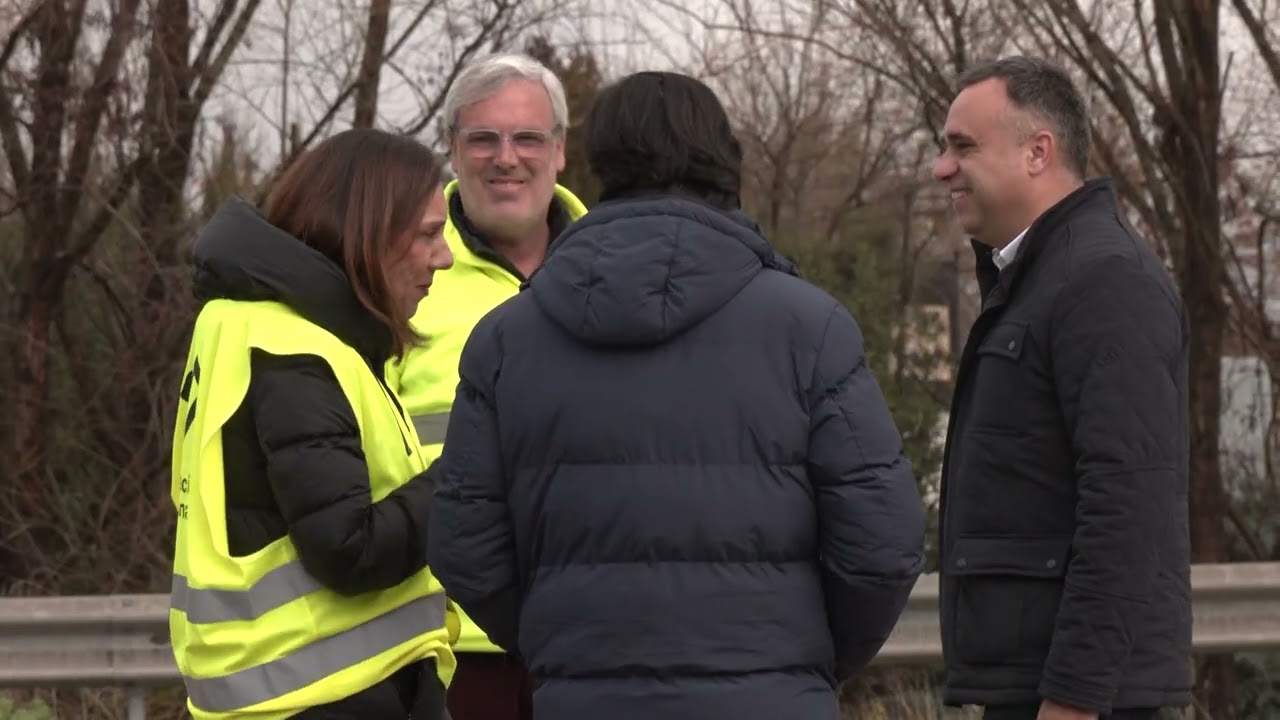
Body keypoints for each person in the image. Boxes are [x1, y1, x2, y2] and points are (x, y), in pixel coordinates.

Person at [425, 70, 927, 720]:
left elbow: (464, 545)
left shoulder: (506, 339)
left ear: (595, 160)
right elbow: (883, 544)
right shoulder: (809, 326)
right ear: (722, 159)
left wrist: (561, 644)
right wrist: (804, 660)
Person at [932, 56, 1191, 720]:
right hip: (1039, 689)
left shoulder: (1104, 281)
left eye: (962, 147)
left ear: (1037, 152)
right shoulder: (1036, 281)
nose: (942, 167)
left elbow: (1128, 506)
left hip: (1085, 700)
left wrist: (1073, 699)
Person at [168, 128, 458, 720]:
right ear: (366, 232)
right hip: (323, 692)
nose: (444, 257)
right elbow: (350, 549)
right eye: (428, 234)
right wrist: (468, 475)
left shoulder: (259, 326)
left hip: (311, 690)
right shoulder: (294, 349)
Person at [385, 52, 588, 720]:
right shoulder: (397, 271)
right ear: (452, 151)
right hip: (448, 651)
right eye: (484, 139)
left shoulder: (615, 269)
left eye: (528, 137)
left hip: (595, 636)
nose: (507, 157)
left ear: (559, 151)